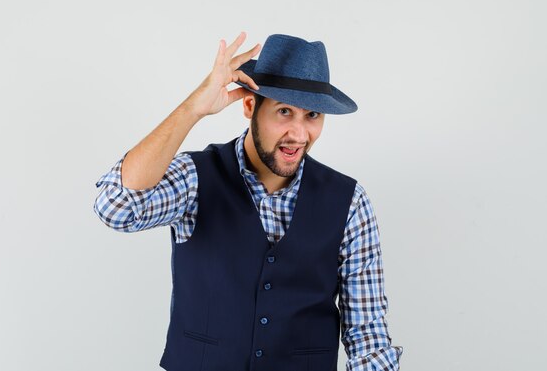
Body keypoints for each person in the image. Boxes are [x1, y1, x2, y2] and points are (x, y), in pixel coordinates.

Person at [93, 32, 403, 371]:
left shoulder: (349, 203)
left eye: (312, 116)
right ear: (249, 105)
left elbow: (368, 335)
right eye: (285, 111)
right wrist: (192, 109)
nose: (299, 135)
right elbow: (116, 207)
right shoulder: (195, 178)